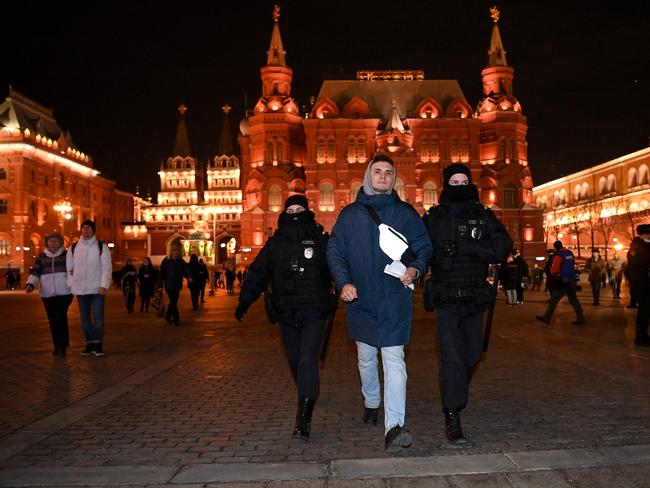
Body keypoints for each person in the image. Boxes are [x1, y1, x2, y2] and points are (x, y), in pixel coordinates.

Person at [327, 155, 432, 453]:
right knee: (365, 357)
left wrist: (416, 269)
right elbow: (335, 252)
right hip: (360, 298)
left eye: (388, 172)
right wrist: (343, 282)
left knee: (395, 359)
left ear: (394, 178)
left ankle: (394, 426)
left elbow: (424, 247)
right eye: (378, 171)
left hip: (394, 298)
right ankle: (372, 401)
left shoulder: (405, 213)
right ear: (367, 176)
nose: (383, 176)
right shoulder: (350, 215)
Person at [422, 163, 512, 446]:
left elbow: (501, 248)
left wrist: (468, 248)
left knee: (472, 355)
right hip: (446, 298)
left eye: (464, 182)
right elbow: (418, 250)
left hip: (475, 297)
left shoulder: (484, 216)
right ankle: (452, 414)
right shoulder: (434, 218)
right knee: (451, 357)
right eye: (454, 182)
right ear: (446, 185)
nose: (459, 186)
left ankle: (456, 393)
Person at [236, 194, 335, 440]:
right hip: (286, 312)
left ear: (308, 211)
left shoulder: (321, 240)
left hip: (314, 310)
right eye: (290, 210)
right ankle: (307, 386)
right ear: (284, 213)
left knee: (306, 360)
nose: (295, 214)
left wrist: (346, 286)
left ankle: (304, 417)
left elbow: (338, 266)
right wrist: (245, 300)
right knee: (295, 360)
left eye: (300, 209)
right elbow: (258, 272)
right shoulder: (275, 244)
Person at [66, 219, 112, 356]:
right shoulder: (74, 248)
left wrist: (104, 285)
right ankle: (89, 343)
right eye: (83, 228)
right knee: (85, 319)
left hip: (97, 288)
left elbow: (106, 268)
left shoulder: (100, 246)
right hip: (81, 289)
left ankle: (97, 344)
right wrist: (71, 285)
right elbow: (69, 269)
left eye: (88, 228)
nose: (85, 230)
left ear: (93, 230)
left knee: (98, 318)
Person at [25, 232, 73, 357]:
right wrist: (30, 284)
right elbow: (36, 271)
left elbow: (73, 271)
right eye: (50, 241)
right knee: (53, 320)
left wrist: (73, 285)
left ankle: (63, 346)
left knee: (60, 317)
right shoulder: (41, 256)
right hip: (47, 294)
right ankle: (57, 346)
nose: (52, 243)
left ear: (61, 243)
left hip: (64, 293)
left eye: (55, 241)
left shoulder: (66, 255)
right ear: (47, 243)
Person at [536, 240, 586, 326]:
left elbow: (554, 270)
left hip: (562, 281)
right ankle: (580, 317)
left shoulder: (558, 255)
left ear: (555, 248)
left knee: (554, 300)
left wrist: (552, 271)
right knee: (574, 300)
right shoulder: (569, 253)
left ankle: (546, 318)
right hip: (571, 279)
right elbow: (573, 264)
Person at [626, 223, 650, 347]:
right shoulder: (635, 248)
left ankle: (645, 335)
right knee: (644, 312)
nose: (649, 236)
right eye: (647, 234)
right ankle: (640, 337)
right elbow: (636, 266)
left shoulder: (646, 245)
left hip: (647, 283)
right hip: (643, 285)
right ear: (641, 235)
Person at [158, 246, 191, 325]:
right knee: (173, 301)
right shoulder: (166, 260)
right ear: (171, 252)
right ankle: (176, 319)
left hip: (177, 284)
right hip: (169, 284)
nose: (175, 253)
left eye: (177, 251)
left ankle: (168, 316)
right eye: (174, 251)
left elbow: (185, 270)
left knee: (174, 301)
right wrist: (160, 286)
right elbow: (161, 273)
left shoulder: (180, 261)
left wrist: (189, 277)